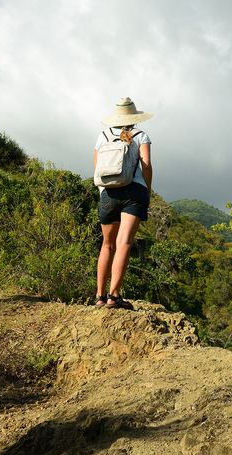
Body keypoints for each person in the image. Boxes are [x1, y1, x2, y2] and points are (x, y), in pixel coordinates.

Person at [94, 97, 153, 308]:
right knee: (124, 242)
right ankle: (114, 296)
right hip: (134, 192)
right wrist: (147, 189)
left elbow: (97, 170)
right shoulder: (141, 135)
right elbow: (146, 165)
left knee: (107, 244)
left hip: (108, 193)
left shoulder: (102, 137)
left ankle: (100, 296)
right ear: (135, 117)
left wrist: (104, 193)